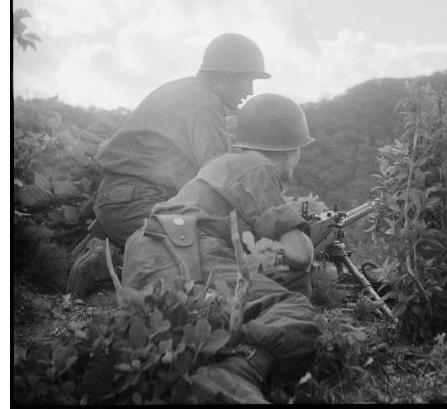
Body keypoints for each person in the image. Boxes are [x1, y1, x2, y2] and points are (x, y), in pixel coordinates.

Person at [122, 94, 320, 403]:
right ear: (291, 149)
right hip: (183, 254)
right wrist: (306, 238)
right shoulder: (256, 166)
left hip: (148, 257)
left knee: (286, 287)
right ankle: (232, 375)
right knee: (294, 311)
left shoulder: (224, 164)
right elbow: (300, 254)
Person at [67, 33, 271, 298]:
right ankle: (106, 267)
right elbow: (222, 183)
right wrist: (260, 223)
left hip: (116, 199)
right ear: (229, 74)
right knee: (209, 252)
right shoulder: (205, 106)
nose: (250, 91)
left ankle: (110, 254)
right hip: (137, 202)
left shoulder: (184, 89)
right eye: (249, 79)